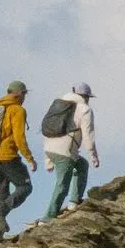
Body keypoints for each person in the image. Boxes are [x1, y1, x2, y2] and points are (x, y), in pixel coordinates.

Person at [0, 81, 37, 242]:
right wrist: (29, 158)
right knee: (25, 186)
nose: (25, 97)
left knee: (2, 193)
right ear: (18, 94)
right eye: (24, 94)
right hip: (7, 155)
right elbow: (19, 137)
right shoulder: (17, 110)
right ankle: (1, 212)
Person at [42, 83, 98, 218]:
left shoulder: (59, 105)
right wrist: (93, 156)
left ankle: (74, 201)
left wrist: (48, 159)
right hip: (64, 153)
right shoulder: (84, 109)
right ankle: (48, 217)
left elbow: (51, 130)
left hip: (50, 148)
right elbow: (88, 136)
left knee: (81, 165)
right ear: (86, 97)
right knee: (62, 184)